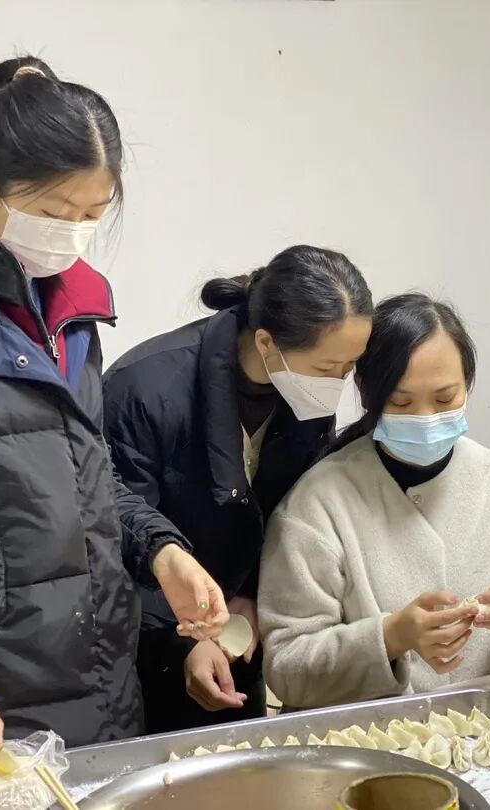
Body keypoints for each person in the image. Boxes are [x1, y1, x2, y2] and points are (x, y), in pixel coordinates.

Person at [0, 57, 226, 766]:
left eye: (92, 216)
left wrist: (161, 550)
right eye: (56, 214)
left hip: (100, 683)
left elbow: (83, 474)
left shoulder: (73, 312)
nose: (71, 234)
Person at [259, 293, 490, 709]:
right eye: (401, 402)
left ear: (467, 385)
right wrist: (390, 637)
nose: (425, 418)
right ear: (368, 393)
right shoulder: (317, 504)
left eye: (445, 398)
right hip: (371, 737)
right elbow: (286, 667)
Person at [103, 246, 373, 731]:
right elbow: (117, 530)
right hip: (147, 640)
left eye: (349, 367)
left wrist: (256, 592)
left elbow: (289, 510)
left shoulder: (303, 395)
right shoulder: (144, 389)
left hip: (239, 635)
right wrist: (187, 639)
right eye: (327, 368)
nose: (337, 384)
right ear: (266, 342)